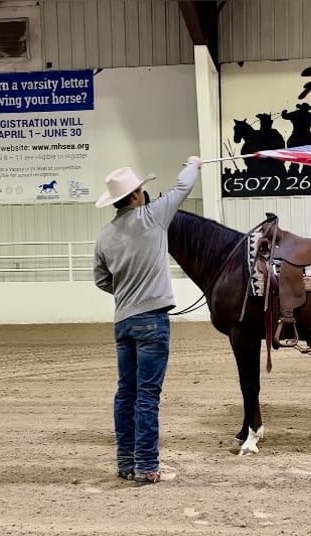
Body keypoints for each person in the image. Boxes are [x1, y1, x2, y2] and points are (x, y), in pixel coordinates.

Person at [93, 156, 202, 484]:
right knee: (146, 395)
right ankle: (146, 466)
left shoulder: (105, 236)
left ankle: (126, 462)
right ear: (137, 194)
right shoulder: (152, 217)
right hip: (151, 320)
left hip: (123, 320)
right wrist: (193, 163)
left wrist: (125, 290)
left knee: (125, 392)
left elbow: (101, 280)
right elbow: (183, 186)